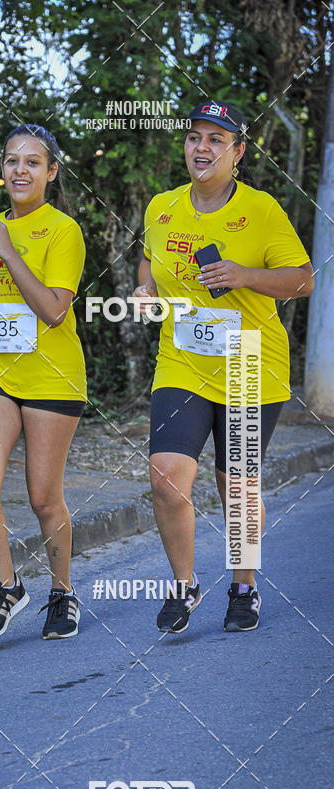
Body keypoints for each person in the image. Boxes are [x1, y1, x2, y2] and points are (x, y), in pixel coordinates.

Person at [134, 100, 314, 634]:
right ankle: (185, 586)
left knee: (234, 486)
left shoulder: (262, 211)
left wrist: (243, 274)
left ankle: (243, 585)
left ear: (238, 152)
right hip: (182, 361)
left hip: (248, 363)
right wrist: (145, 288)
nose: (202, 147)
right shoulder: (162, 207)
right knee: (166, 478)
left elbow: (302, 279)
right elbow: (150, 259)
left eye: (217, 139)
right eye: (194, 137)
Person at [0, 124, 87, 641]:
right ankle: (7, 585)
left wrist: (9, 250)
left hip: (52, 376)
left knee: (43, 498)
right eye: (12, 160)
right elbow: (3, 298)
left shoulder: (63, 231)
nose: (20, 169)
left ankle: (62, 592)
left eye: (32, 162)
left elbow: (55, 311)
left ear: (50, 172)